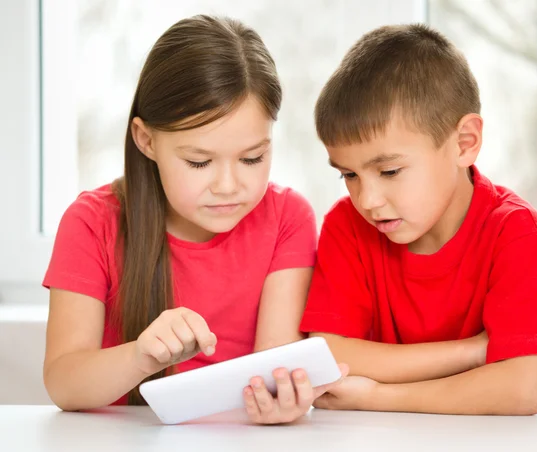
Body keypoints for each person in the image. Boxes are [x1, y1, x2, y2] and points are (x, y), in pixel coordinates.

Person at [42, 14, 346, 425]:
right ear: (146, 140)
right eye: (199, 162)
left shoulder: (288, 218)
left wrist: (284, 400)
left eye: (252, 158)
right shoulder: (92, 223)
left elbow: (273, 368)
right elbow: (64, 382)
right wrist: (140, 356)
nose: (228, 185)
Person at [300, 23, 537, 415]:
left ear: (465, 143)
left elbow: (526, 387)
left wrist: (377, 396)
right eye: (349, 175)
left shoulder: (515, 231)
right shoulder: (347, 225)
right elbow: (328, 354)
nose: (368, 199)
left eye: (390, 171)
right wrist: (474, 351)